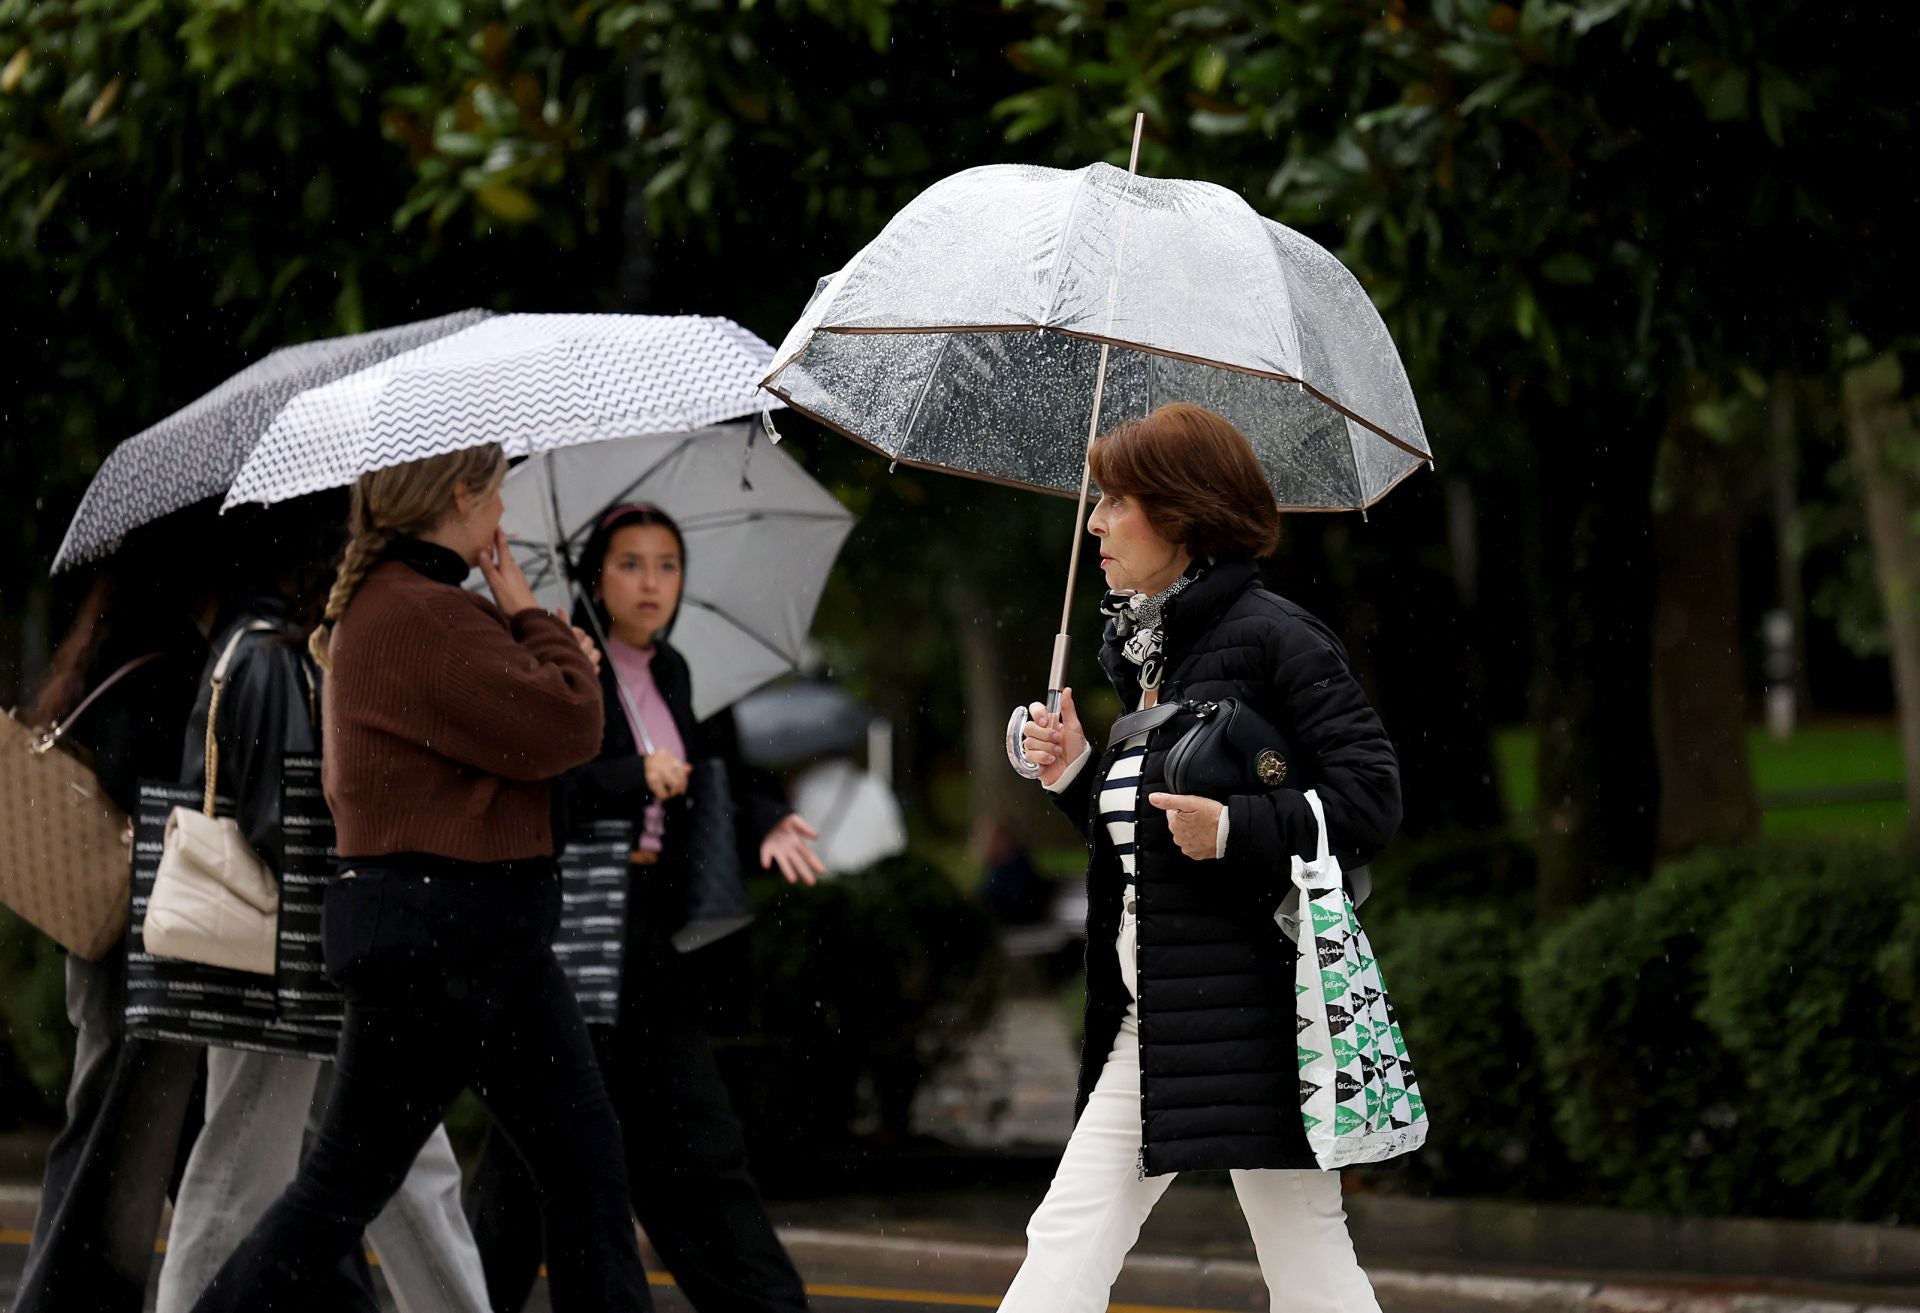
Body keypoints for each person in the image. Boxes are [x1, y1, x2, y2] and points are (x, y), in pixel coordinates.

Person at [187, 445, 652, 1313]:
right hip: (453, 938)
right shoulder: (422, 614)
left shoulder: (402, 608)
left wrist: (534, 646)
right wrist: (532, 617)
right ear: (460, 495)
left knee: (570, 1164)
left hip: (458, 936)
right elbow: (569, 724)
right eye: (496, 497)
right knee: (359, 1189)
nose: (502, 521)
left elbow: (531, 728)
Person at [1006, 403, 1403, 1312]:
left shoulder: (1277, 637)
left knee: (1308, 1266)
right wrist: (1076, 776)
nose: (1096, 521)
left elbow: (1370, 800)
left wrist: (1237, 828)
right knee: (1066, 1237)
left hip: (1260, 1018)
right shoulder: (1154, 652)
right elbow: (1155, 846)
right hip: (1157, 1015)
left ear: (1180, 515)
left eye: (1116, 501)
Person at [466, 502, 824, 1313]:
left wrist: (766, 822)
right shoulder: (564, 664)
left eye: (667, 564)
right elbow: (539, 793)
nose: (652, 581)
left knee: (694, 1146)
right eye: (631, 562)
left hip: (653, 940)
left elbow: (714, 775)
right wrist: (633, 778)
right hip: (573, 935)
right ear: (597, 574)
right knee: (534, 1163)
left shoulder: (674, 673)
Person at [153, 500, 493, 1313]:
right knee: (250, 1169)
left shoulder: (286, 649)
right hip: (287, 958)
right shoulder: (272, 656)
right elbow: (287, 822)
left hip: (311, 959)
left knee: (393, 1161)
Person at [15, 515, 216, 1313]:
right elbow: (143, 777)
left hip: (104, 929)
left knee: (113, 1119)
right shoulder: (167, 660)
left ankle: (73, 1288)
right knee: (112, 1125)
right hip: (138, 933)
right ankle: (64, 1293)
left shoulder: (108, 646)